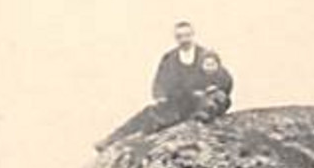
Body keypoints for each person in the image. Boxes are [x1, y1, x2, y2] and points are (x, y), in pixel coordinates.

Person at [97, 21, 234, 149]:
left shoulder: (205, 55)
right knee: (147, 114)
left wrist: (213, 88)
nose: (184, 40)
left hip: (199, 102)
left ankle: (195, 123)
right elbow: (159, 81)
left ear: (192, 35)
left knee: (215, 100)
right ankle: (111, 140)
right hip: (177, 103)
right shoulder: (169, 58)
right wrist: (160, 96)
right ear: (176, 38)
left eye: (187, 36)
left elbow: (223, 77)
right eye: (180, 37)